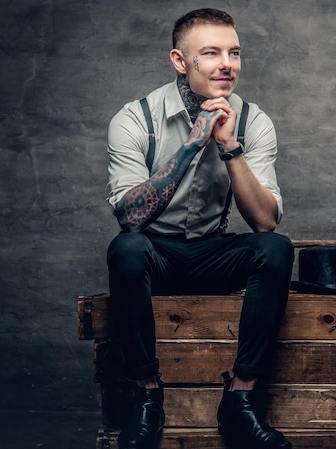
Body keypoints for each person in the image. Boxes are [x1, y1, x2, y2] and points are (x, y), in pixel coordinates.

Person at [106, 8, 294, 449]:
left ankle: (240, 401)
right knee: (126, 248)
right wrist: (195, 141)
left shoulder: (254, 121)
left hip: (213, 252)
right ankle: (148, 397)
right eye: (210, 53)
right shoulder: (136, 119)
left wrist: (230, 147)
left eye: (234, 52)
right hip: (157, 254)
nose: (226, 63)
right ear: (180, 61)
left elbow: (264, 220)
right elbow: (130, 217)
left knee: (276, 248)